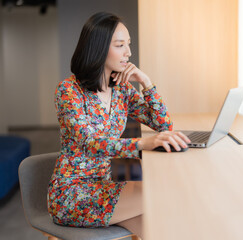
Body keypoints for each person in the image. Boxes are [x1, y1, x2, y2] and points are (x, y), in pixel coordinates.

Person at [47, 12, 190, 239]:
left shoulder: (121, 88)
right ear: (99, 47)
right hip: (72, 194)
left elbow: (163, 124)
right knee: (159, 196)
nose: (128, 53)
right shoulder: (68, 90)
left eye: (129, 45)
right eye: (120, 45)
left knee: (159, 228)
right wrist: (143, 143)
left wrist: (147, 83)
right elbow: (89, 143)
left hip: (107, 186)